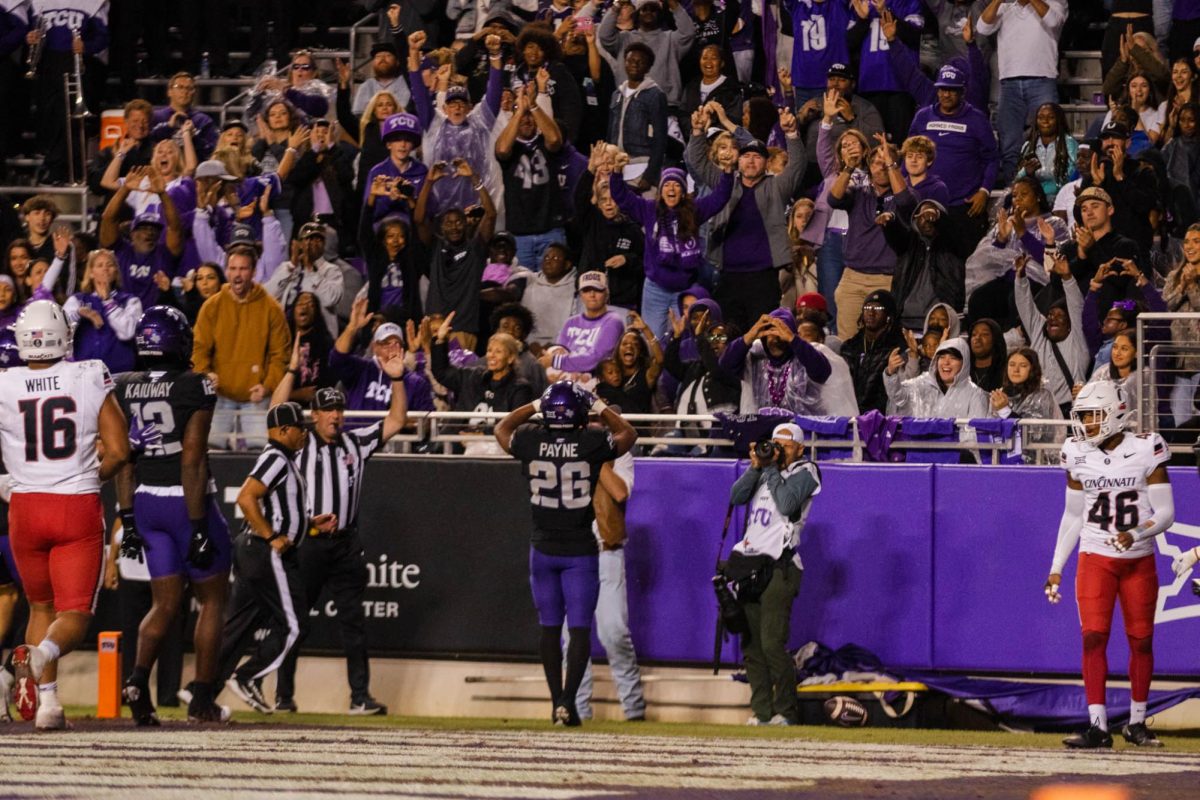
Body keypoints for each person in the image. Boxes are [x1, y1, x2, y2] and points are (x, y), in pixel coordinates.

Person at [0, 301, 130, 730]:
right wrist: (96, 472)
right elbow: (119, 450)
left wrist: (10, 480)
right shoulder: (87, 373)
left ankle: (49, 705)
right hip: (74, 504)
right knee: (74, 613)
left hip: (25, 510)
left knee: (40, 607)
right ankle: (39, 659)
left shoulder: (5, 382)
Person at [270, 340, 409, 715]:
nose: (335, 415)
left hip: (345, 544)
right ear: (313, 415)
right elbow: (273, 413)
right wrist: (289, 371)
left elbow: (396, 421)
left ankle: (360, 697)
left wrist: (397, 380)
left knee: (354, 622)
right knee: (297, 620)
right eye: (327, 410)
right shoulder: (298, 444)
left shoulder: (356, 441)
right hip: (310, 543)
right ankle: (283, 695)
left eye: (339, 409)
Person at [112, 306, 232, 724]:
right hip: (185, 501)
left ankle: (135, 679)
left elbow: (123, 460)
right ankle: (201, 698)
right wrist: (198, 525)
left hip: (145, 501)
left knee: (163, 604)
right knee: (212, 599)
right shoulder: (193, 385)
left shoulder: (123, 386)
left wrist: (127, 520)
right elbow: (193, 458)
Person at [495, 380, 638, 727]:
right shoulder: (590, 443)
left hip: (542, 548)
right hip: (579, 551)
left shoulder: (531, 440)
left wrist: (534, 404)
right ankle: (567, 703)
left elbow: (502, 429)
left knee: (548, 629)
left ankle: (555, 701)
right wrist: (598, 404)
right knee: (578, 630)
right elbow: (629, 435)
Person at [1046, 381, 1174, 749]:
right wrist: (1056, 566)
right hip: (1095, 556)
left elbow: (1166, 512)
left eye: (1091, 415)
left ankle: (1136, 723)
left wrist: (1135, 532)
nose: (1085, 424)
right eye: (1083, 416)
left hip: (1138, 560)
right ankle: (1098, 727)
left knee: (1142, 641)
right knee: (1092, 638)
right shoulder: (1075, 451)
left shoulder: (1146, 447)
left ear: (1115, 412)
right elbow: (1072, 516)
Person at [217, 402, 336, 714]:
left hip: (256, 549)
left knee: (238, 626)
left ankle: (201, 690)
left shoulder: (283, 459)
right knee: (295, 624)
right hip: (264, 550)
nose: (305, 436)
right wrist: (271, 536)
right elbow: (246, 496)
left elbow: (278, 509)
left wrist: (308, 524)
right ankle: (247, 677)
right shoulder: (276, 457)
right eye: (301, 429)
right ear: (284, 430)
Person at [728, 421, 821, 726]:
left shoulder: (807, 471)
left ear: (799, 448)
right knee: (752, 646)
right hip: (750, 564)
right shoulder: (765, 470)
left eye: (785, 445)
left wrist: (769, 469)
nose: (778, 450)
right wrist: (756, 467)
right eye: (775, 444)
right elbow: (736, 496)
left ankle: (786, 712)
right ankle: (762, 712)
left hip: (781, 567)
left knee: (771, 643)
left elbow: (787, 502)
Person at [192, 246, 292, 449]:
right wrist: (205, 375)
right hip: (218, 396)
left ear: (254, 271)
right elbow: (199, 350)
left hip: (256, 398)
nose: (237, 275)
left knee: (259, 453)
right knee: (211, 453)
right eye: (233, 268)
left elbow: (280, 355)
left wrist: (267, 385)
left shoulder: (271, 309)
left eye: (243, 269)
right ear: (227, 271)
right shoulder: (211, 307)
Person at [975, 0, 1068, 183]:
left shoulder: (1055, 2)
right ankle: (1014, 194)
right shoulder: (1005, 6)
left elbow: (1053, 21)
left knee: (1049, 140)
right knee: (1009, 144)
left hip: (1042, 79)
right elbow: (982, 27)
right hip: (1009, 83)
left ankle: (1051, 190)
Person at [1016, 251, 1089, 416]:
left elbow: (1076, 307)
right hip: (1037, 411)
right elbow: (1025, 306)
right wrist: (1020, 278)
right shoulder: (1039, 334)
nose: (1052, 319)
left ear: (1070, 324)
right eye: (1050, 315)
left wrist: (1067, 278)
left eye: (1060, 316)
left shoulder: (1077, 341)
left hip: (1069, 412)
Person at [720, 309, 831, 415]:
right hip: (764, 432)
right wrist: (748, 336)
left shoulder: (805, 356)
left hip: (802, 432)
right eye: (771, 330)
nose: (777, 335)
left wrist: (793, 339)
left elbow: (823, 372)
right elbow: (725, 365)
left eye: (782, 330)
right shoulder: (755, 358)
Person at [539, 271, 627, 379]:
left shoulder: (613, 321)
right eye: (586, 290)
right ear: (580, 295)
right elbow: (559, 350)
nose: (592, 295)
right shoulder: (571, 322)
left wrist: (555, 361)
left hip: (598, 380)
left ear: (606, 293)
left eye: (597, 290)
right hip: (569, 377)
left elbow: (598, 358)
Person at [884, 336, 990, 420]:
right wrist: (890, 373)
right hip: (919, 446)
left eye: (953, 358)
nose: (946, 362)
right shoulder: (921, 383)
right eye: (942, 357)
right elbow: (898, 398)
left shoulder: (976, 395)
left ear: (964, 363)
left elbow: (976, 436)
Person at [989, 347, 1063, 464]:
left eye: (1023, 366)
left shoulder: (1042, 396)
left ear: (1032, 369)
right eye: (1012, 365)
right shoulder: (1000, 395)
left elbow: (1036, 435)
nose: (1016, 370)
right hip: (1002, 461)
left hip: (1036, 463)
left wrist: (1005, 411)